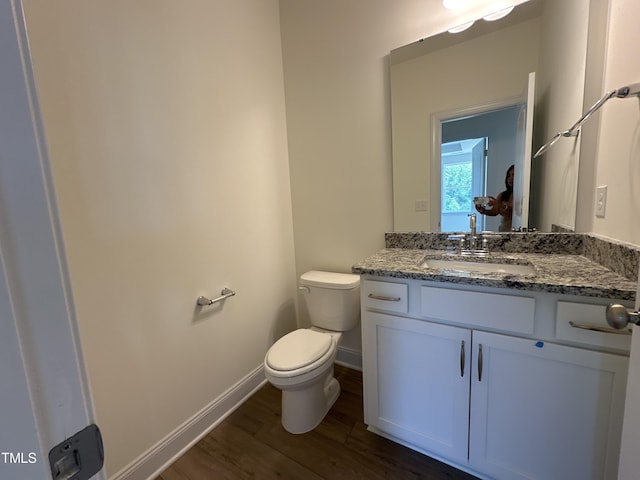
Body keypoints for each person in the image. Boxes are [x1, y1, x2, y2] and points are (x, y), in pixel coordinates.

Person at [475, 164, 514, 232]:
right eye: (508, 176)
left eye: (513, 175)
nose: (510, 178)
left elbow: (514, 213)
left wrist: (500, 204)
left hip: (515, 230)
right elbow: (495, 212)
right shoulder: (503, 195)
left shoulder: (520, 195)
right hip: (504, 230)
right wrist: (484, 211)